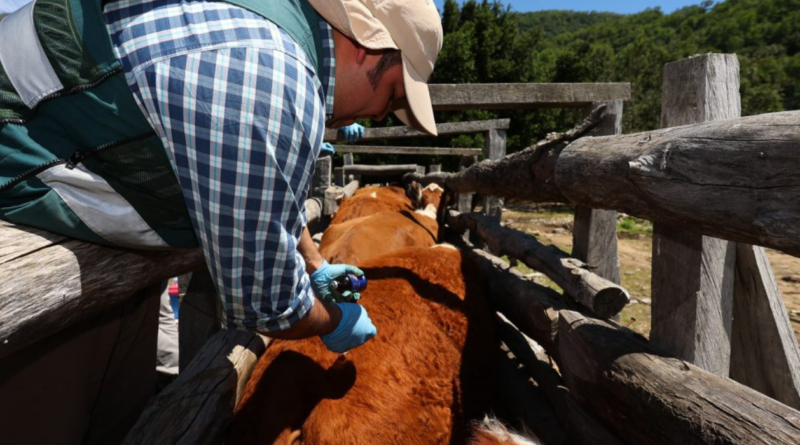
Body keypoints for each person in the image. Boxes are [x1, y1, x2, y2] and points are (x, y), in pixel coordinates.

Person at [0, 0, 443, 443]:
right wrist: (336, 320)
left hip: (90, 216)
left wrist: (316, 265)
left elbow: (268, 195)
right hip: (31, 219)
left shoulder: (275, 41)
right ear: (368, 47)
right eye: (393, 95)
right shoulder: (272, 77)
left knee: (119, 419)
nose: (382, 114)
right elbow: (268, 304)